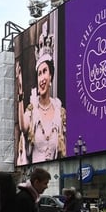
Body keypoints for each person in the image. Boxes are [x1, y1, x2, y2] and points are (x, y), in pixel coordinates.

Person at [20, 19, 66, 163]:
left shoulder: (59, 111)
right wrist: (20, 97)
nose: (41, 78)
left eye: (44, 72)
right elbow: (23, 126)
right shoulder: (32, 108)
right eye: (39, 74)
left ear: (50, 76)